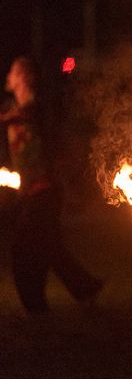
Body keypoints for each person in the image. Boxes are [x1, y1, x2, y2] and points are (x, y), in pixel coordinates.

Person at [0, 56, 103, 314]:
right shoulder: (15, 108)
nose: (8, 76)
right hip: (34, 190)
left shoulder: (36, 108)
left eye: (13, 71)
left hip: (45, 189)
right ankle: (85, 288)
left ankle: (38, 308)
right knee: (48, 246)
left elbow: (29, 115)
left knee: (24, 247)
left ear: (24, 77)